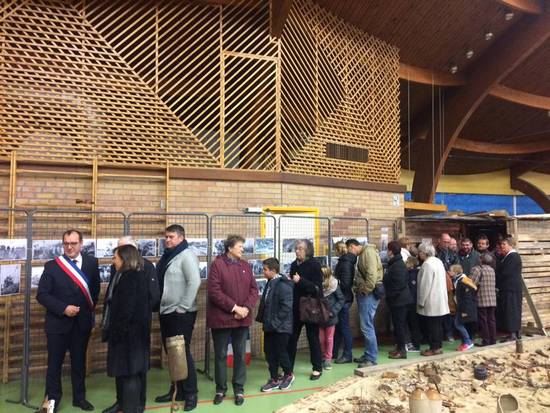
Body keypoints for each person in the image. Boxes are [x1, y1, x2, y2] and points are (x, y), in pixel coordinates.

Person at [36, 229, 100, 412]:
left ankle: (79, 398)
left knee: (79, 363)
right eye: (66, 243)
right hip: (57, 324)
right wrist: (63, 308)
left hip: (81, 324)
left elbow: (95, 291)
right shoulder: (52, 266)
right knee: (54, 365)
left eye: (73, 243)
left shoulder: (91, 263)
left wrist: (85, 310)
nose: (69, 247)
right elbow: (42, 295)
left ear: (81, 244)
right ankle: (52, 402)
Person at [102, 236, 159, 413]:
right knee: (126, 373)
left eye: (115, 257)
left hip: (130, 336)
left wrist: (117, 333)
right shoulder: (125, 274)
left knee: (131, 374)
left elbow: (127, 310)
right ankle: (124, 404)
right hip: (130, 334)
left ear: (125, 257)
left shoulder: (131, 277)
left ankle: (133, 407)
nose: (113, 261)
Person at [154, 225, 201, 411]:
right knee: (173, 354)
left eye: (171, 237)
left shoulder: (186, 255)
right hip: (167, 311)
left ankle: (191, 393)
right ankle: (177, 390)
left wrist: (183, 307)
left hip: (180, 313)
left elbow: (194, 282)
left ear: (181, 238)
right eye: (166, 237)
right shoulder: (169, 256)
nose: (167, 240)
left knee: (182, 353)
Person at [207, 235, 258, 406]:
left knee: (240, 354)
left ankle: (239, 389)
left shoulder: (246, 266)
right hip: (221, 319)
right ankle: (220, 389)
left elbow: (254, 290)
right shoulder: (217, 265)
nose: (243, 249)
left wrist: (245, 309)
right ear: (230, 248)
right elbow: (214, 292)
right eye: (240, 246)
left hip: (242, 319)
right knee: (221, 355)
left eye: (243, 246)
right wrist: (235, 308)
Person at [287, 239, 324, 380]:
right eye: (296, 248)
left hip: (310, 307)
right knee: (292, 338)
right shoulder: (293, 265)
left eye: (300, 248)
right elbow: (293, 284)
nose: (297, 251)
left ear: (308, 250)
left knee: (313, 338)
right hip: (296, 307)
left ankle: (317, 368)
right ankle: (288, 370)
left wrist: (300, 281)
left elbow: (317, 288)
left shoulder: (314, 265)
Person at [256, 258, 294, 392]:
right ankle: (274, 379)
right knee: (269, 352)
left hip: (281, 327)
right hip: (270, 326)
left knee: (280, 351)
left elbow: (286, 307)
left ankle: (288, 374)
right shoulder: (270, 283)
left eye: (265, 269)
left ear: (273, 270)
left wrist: (275, 323)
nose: (263, 272)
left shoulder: (283, 285)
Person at [346, 238, 383, 368]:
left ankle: (371, 358)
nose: (349, 253)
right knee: (366, 325)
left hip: (369, 293)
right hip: (368, 292)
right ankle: (368, 354)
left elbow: (372, 274)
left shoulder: (368, 252)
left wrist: (366, 290)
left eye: (348, 250)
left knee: (367, 326)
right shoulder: (365, 253)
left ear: (352, 246)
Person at [416, 242, 449, 356]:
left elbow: (425, 285)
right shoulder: (438, 261)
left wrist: (421, 301)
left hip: (431, 299)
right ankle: (438, 346)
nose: (419, 254)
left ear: (424, 252)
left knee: (432, 326)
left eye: (420, 252)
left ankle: (434, 348)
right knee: (438, 325)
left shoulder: (427, 264)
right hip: (440, 298)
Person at [383, 241, 412, 359]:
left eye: (387, 250)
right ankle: (399, 348)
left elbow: (399, 285)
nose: (386, 252)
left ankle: (402, 350)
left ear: (390, 251)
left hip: (400, 301)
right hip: (398, 300)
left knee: (400, 326)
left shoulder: (398, 265)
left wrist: (390, 296)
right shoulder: (395, 263)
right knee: (398, 325)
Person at [332, 241, 356, 364]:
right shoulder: (345, 261)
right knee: (339, 327)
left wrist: (334, 282)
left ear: (338, 250)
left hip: (343, 299)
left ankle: (347, 354)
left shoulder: (345, 263)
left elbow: (346, 283)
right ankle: (334, 352)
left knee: (344, 327)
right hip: (343, 298)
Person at [496, 237, 523, 342]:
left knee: (511, 310)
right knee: (513, 309)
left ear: (511, 245)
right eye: (501, 244)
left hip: (511, 288)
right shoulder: (508, 256)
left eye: (504, 244)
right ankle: (516, 333)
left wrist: (497, 276)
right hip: (511, 288)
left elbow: (505, 272)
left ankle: (513, 334)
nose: (502, 246)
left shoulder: (512, 256)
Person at [319, 266, 344, 370]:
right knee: (321, 339)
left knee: (329, 339)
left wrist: (333, 312)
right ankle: (323, 356)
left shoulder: (334, 284)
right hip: (320, 316)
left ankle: (328, 359)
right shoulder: (318, 285)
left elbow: (341, 299)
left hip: (330, 316)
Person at [470, 253, 497, 346]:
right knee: (491, 320)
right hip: (492, 299)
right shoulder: (492, 270)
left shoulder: (477, 269)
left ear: (481, 260)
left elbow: (471, 283)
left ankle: (486, 341)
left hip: (481, 298)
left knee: (483, 321)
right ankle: (493, 340)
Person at [449, 264, 477, 351]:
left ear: (455, 272)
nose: (449, 272)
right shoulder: (459, 280)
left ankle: (468, 342)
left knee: (458, 324)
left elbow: (466, 296)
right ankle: (465, 342)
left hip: (464, 307)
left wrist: (465, 310)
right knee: (461, 324)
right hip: (461, 306)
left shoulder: (463, 281)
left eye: (451, 271)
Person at [404, 256, 422, 352]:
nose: (405, 263)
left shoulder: (413, 274)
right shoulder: (410, 273)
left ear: (411, 264)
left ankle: (415, 344)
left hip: (412, 303)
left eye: (407, 262)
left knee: (414, 324)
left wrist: (410, 301)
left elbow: (413, 290)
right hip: (412, 302)